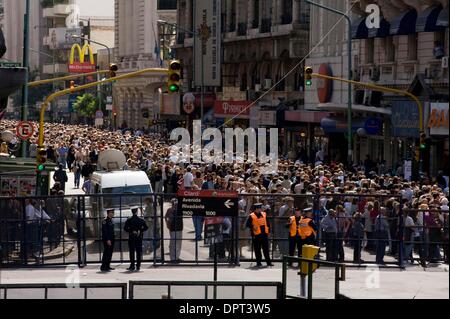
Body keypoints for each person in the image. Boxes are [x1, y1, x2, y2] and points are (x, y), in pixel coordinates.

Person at [246, 203, 273, 267]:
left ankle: (268, 262)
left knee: (266, 249)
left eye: (260, 208)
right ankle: (258, 262)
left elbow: (268, 223)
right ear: (256, 209)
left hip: (264, 235)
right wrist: (252, 226)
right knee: (257, 250)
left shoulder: (264, 214)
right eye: (259, 208)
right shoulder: (251, 215)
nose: (260, 209)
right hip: (256, 235)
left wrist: (269, 232)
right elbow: (247, 224)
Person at [165, 199, 183, 263]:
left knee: (178, 244)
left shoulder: (179, 210)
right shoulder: (170, 210)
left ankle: (177, 257)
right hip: (173, 229)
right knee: (173, 244)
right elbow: (167, 218)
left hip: (179, 228)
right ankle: (173, 258)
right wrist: (168, 225)